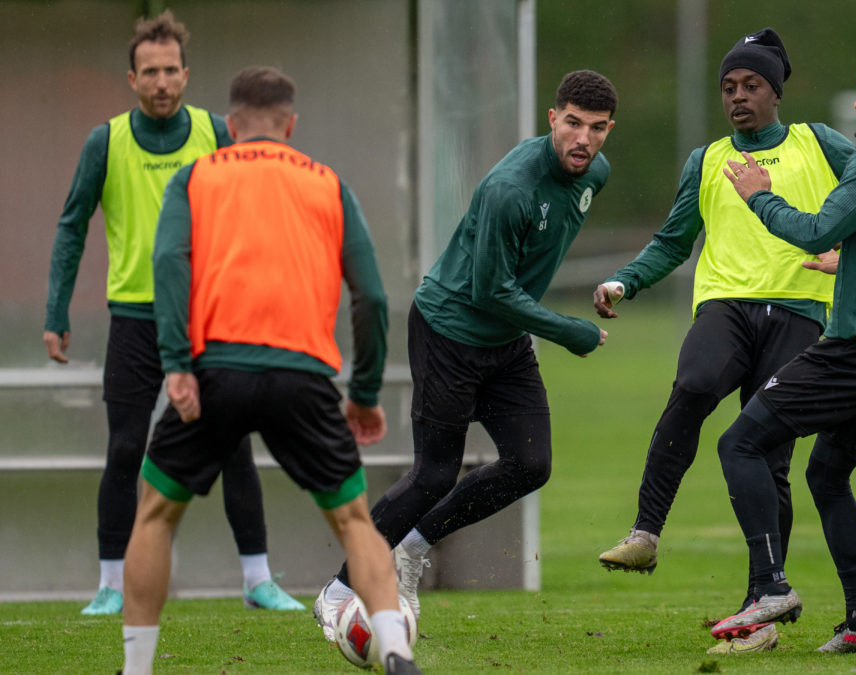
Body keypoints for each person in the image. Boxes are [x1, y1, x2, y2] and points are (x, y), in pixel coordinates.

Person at [120, 66, 420, 675]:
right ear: (292, 124)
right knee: (354, 521)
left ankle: (137, 669)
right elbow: (372, 298)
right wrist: (362, 393)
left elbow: (170, 267)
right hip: (302, 375)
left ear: (230, 126)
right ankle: (396, 650)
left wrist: (176, 365)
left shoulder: (195, 177)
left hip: (214, 372)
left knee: (154, 513)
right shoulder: (328, 184)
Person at [311, 69, 619, 640]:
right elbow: (491, 291)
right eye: (572, 124)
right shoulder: (511, 189)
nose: (584, 139)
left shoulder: (593, 175)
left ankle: (411, 548)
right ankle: (339, 588)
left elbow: (527, 270)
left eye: (597, 128)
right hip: (449, 331)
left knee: (531, 465)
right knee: (433, 474)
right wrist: (568, 331)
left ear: (608, 130)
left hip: (504, 343)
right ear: (552, 119)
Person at [592, 28, 855, 655]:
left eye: (751, 85)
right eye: (729, 87)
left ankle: (759, 607)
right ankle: (646, 532)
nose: (738, 97)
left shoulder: (819, 143)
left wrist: (855, 250)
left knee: (767, 456)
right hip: (725, 307)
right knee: (693, 385)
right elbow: (674, 240)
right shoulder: (707, 160)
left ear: (775, 92)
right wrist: (625, 280)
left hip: (798, 312)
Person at [43, 11, 300, 615]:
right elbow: (71, 225)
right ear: (131, 79)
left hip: (209, 320)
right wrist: (56, 311)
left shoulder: (215, 133)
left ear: (186, 74)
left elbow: (255, 215)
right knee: (126, 447)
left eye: (170, 71)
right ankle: (111, 585)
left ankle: (258, 581)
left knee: (234, 443)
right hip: (134, 320)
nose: (161, 82)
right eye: (148, 72)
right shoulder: (105, 142)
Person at [708, 44, 856, 653]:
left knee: (739, 442)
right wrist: (854, 263)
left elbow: (814, 227)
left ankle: (769, 587)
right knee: (827, 474)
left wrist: (758, 193)